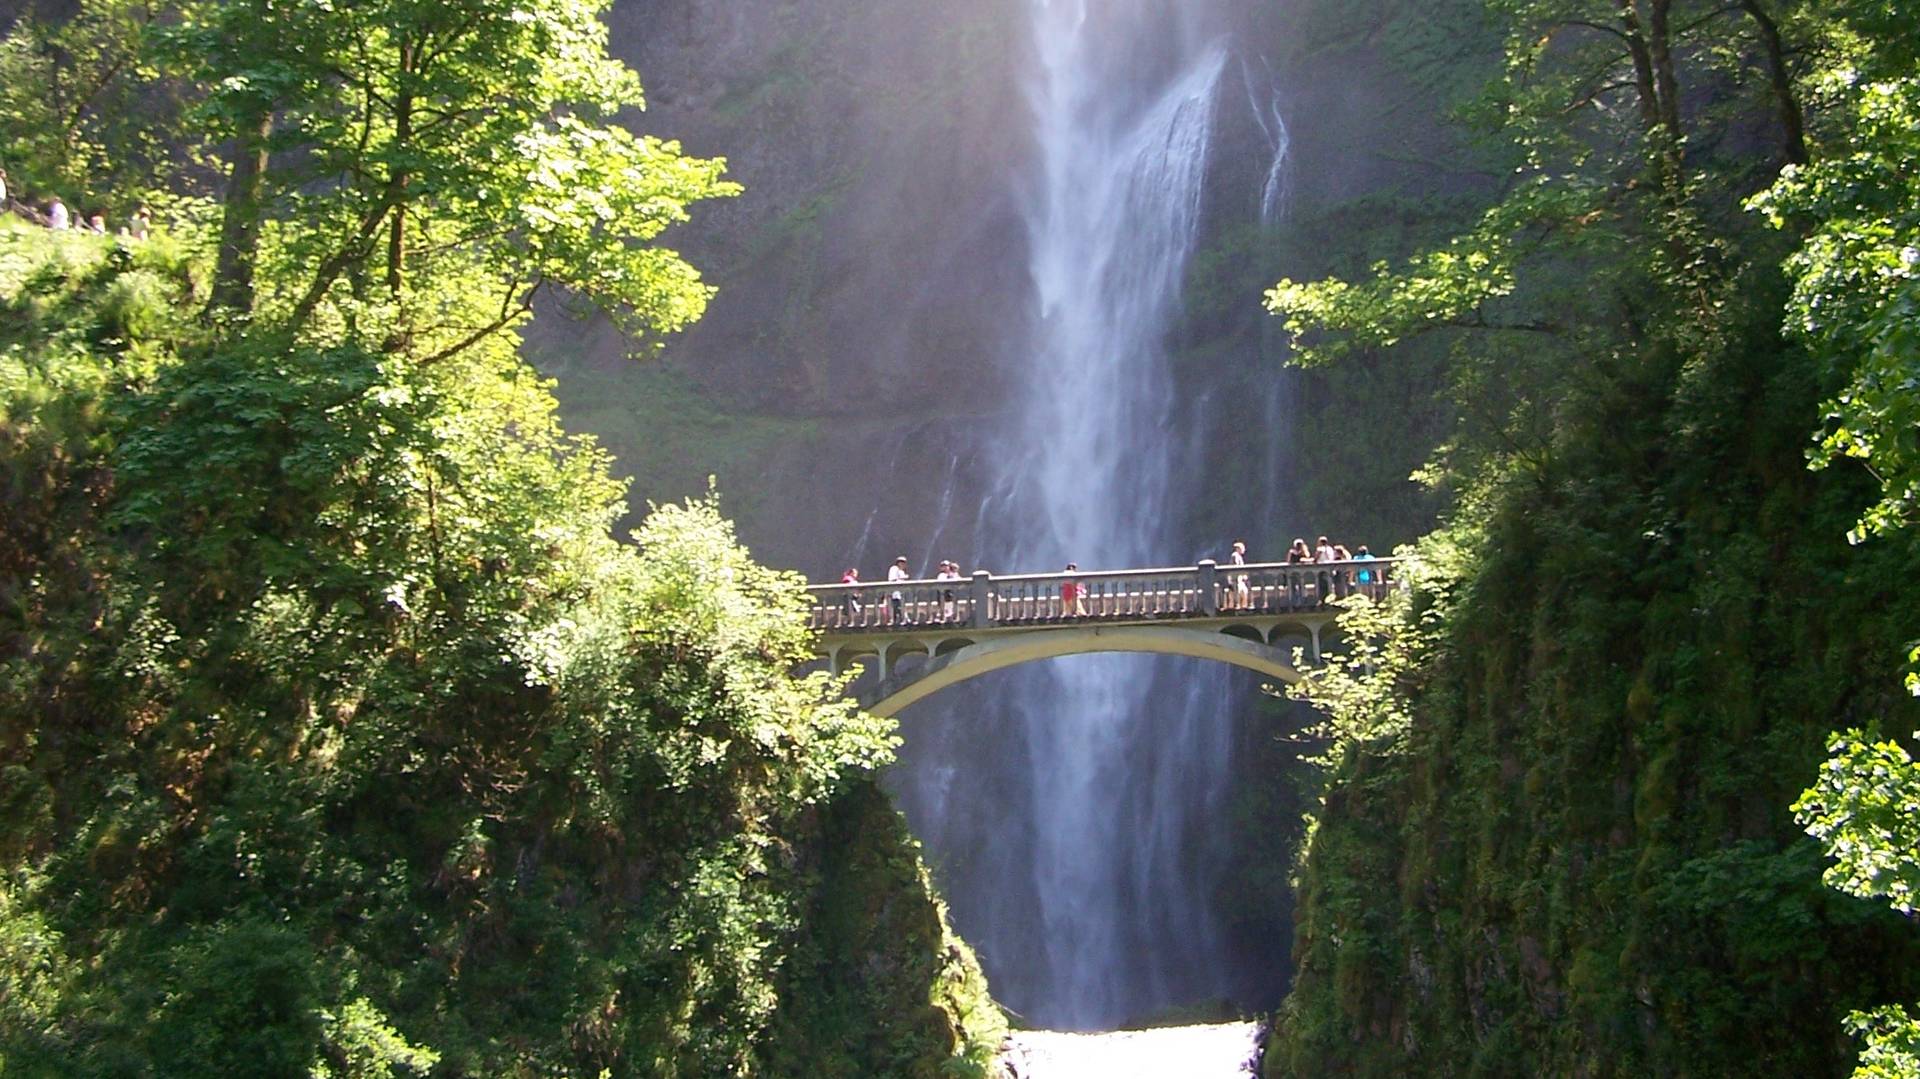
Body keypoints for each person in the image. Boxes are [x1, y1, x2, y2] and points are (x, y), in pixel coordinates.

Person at [1226, 540, 1251, 611]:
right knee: (1238, 593)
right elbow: (1237, 567)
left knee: (1243, 592)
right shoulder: (1235, 555)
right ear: (1238, 549)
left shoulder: (1238, 556)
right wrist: (1242, 575)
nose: (1244, 550)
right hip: (1236, 579)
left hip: (1239, 579)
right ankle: (1238, 608)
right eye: (1242, 548)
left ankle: (1241, 607)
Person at [887, 556, 911, 625]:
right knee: (896, 608)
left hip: (900, 594)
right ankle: (897, 621)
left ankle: (903, 620)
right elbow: (892, 579)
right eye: (902, 563)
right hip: (894, 593)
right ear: (899, 563)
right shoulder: (894, 568)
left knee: (900, 607)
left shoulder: (901, 571)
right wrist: (903, 577)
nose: (904, 565)